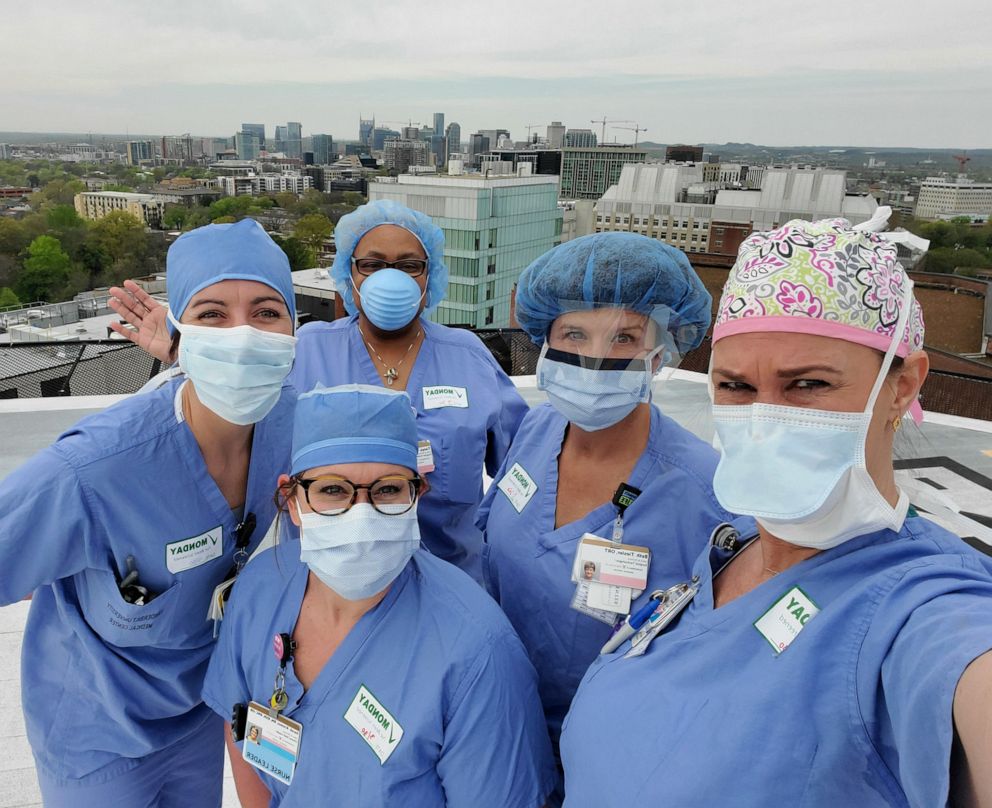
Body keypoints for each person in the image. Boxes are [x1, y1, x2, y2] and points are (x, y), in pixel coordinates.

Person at [559, 218, 992, 806]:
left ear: (903, 386)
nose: (765, 417)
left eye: (808, 384)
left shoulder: (924, 605)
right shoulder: (730, 547)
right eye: (735, 387)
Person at [0, 218, 299, 806]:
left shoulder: (294, 423)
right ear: (183, 332)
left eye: (267, 312)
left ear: (295, 329)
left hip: (197, 711)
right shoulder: (97, 468)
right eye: (212, 314)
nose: (242, 336)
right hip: (97, 731)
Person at [110, 200, 529, 579]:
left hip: (451, 576)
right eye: (373, 264)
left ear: (430, 275)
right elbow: (234, 402)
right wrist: (194, 351)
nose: (391, 278)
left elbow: (523, 465)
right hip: (325, 582)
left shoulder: (468, 356)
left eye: (408, 265)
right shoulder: (307, 347)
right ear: (350, 273)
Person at [202, 384, 555, 807]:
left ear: (416, 493)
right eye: (332, 490)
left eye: (388, 490)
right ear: (293, 500)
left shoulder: (477, 652)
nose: (361, 516)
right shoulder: (262, 588)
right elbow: (238, 719)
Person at [475, 232, 738, 792]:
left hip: (613, 756)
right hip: (495, 720)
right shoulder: (537, 429)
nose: (594, 357)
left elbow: (713, 663)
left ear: (662, 349)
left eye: (625, 337)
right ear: (544, 336)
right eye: (574, 332)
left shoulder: (702, 492)